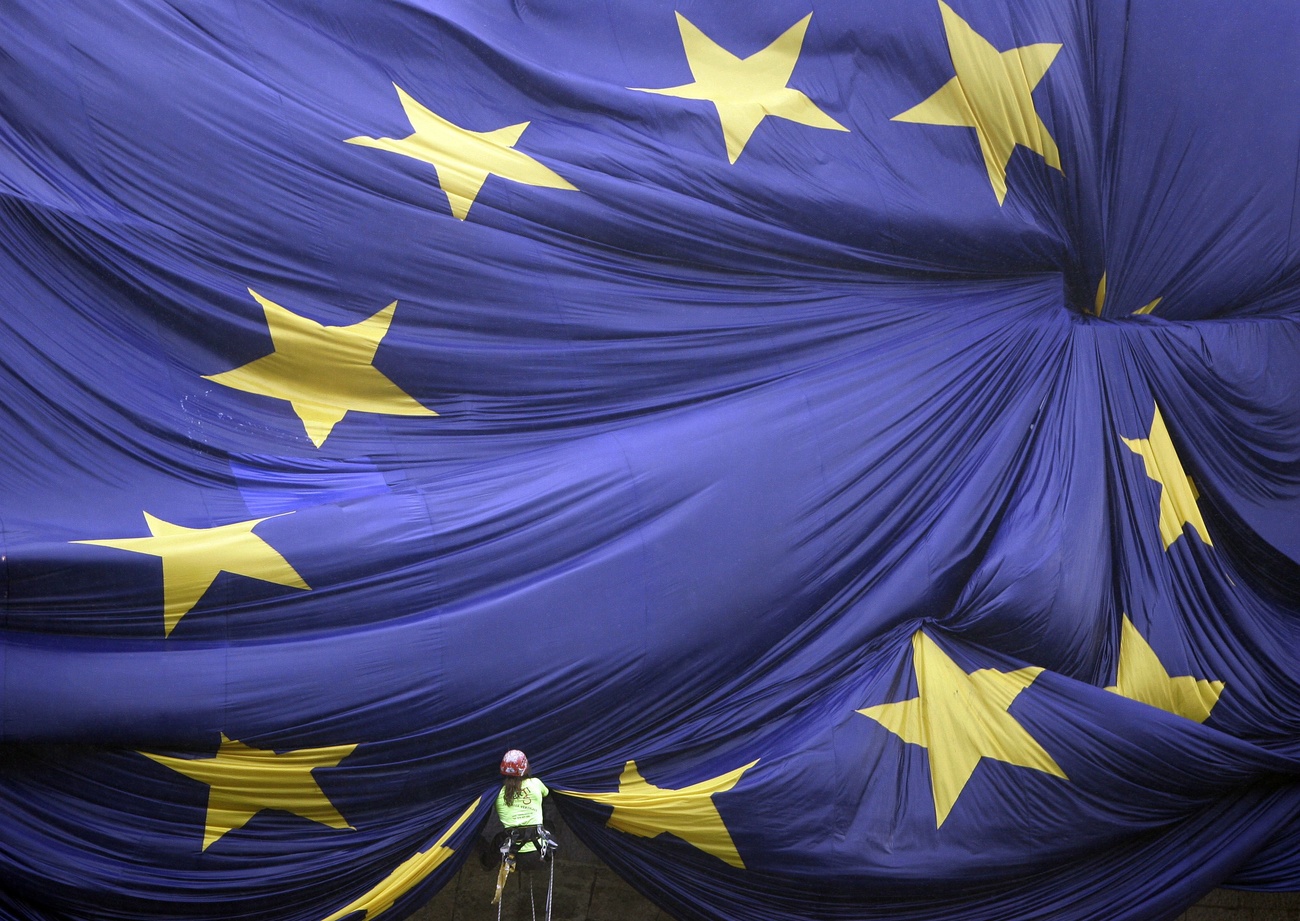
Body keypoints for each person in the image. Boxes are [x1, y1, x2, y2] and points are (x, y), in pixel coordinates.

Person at [492, 749, 557, 876]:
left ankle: (486, 864)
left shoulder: (497, 793)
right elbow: (546, 793)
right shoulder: (536, 783)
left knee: (498, 838)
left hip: (514, 859)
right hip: (541, 856)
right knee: (548, 824)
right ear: (525, 768)